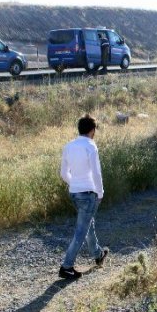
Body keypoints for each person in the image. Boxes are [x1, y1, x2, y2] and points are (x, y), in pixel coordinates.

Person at [58, 115, 109, 280]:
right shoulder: (90, 146)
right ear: (92, 130)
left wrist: (75, 183)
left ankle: (98, 254)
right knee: (81, 230)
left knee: (87, 223)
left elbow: (63, 173)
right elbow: (96, 172)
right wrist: (100, 193)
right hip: (88, 194)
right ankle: (66, 267)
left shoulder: (69, 146)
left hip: (74, 192)